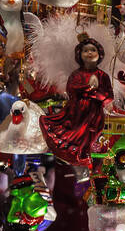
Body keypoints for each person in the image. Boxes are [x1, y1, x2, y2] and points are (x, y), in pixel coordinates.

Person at [40, 34, 112, 166]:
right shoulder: (77, 74)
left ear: (99, 54)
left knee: (93, 132)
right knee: (76, 130)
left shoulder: (103, 76)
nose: (89, 53)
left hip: (95, 112)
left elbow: (108, 96)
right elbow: (72, 89)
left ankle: (83, 153)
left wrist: (94, 92)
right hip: (77, 111)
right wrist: (87, 89)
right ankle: (77, 153)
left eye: (93, 50)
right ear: (80, 55)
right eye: (86, 50)